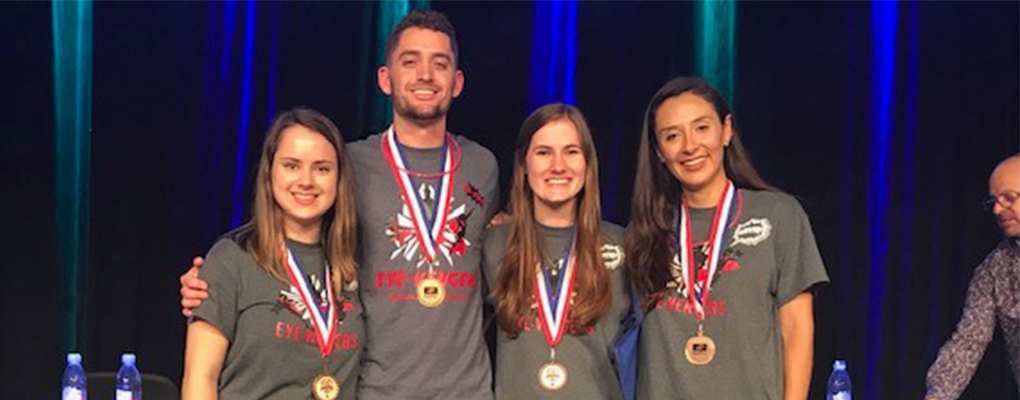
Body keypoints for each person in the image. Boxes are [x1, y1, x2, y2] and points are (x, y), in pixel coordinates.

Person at [181, 10, 500, 400]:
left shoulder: (483, 167)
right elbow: (285, 235)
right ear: (385, 78)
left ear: (458, 82)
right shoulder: (350, 163)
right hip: (378, 390)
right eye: (410, 62)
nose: (425, 76)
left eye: (440, 64)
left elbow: (500, 239)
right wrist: (211, 284)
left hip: (467, 392)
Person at [626, 77, 829, 400]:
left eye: (702, 128)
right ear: (659, 152)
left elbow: (797, 329)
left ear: (727, 130)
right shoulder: (645, 233)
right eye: (672, 136)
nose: (690, 146)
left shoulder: (779, 216)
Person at [181, 108, 362, 400]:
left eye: (322, 168)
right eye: (291, 166)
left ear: (339, 179)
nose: (306, 181)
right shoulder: (232, 259)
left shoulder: (355, 263)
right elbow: (200, 379)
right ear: (269, 172)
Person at [482, 103, 630, 399]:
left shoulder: (622, 244)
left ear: (588, 164)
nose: (558, 165)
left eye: (571, 151)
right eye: (544, 152)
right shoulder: (492, 245)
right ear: (523, 165)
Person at [925, 154, 1020, 400]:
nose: (998, 210)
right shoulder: (994, 269)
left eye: (1009, 198)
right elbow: (968, 342)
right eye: (993, 202)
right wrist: (937, 396)